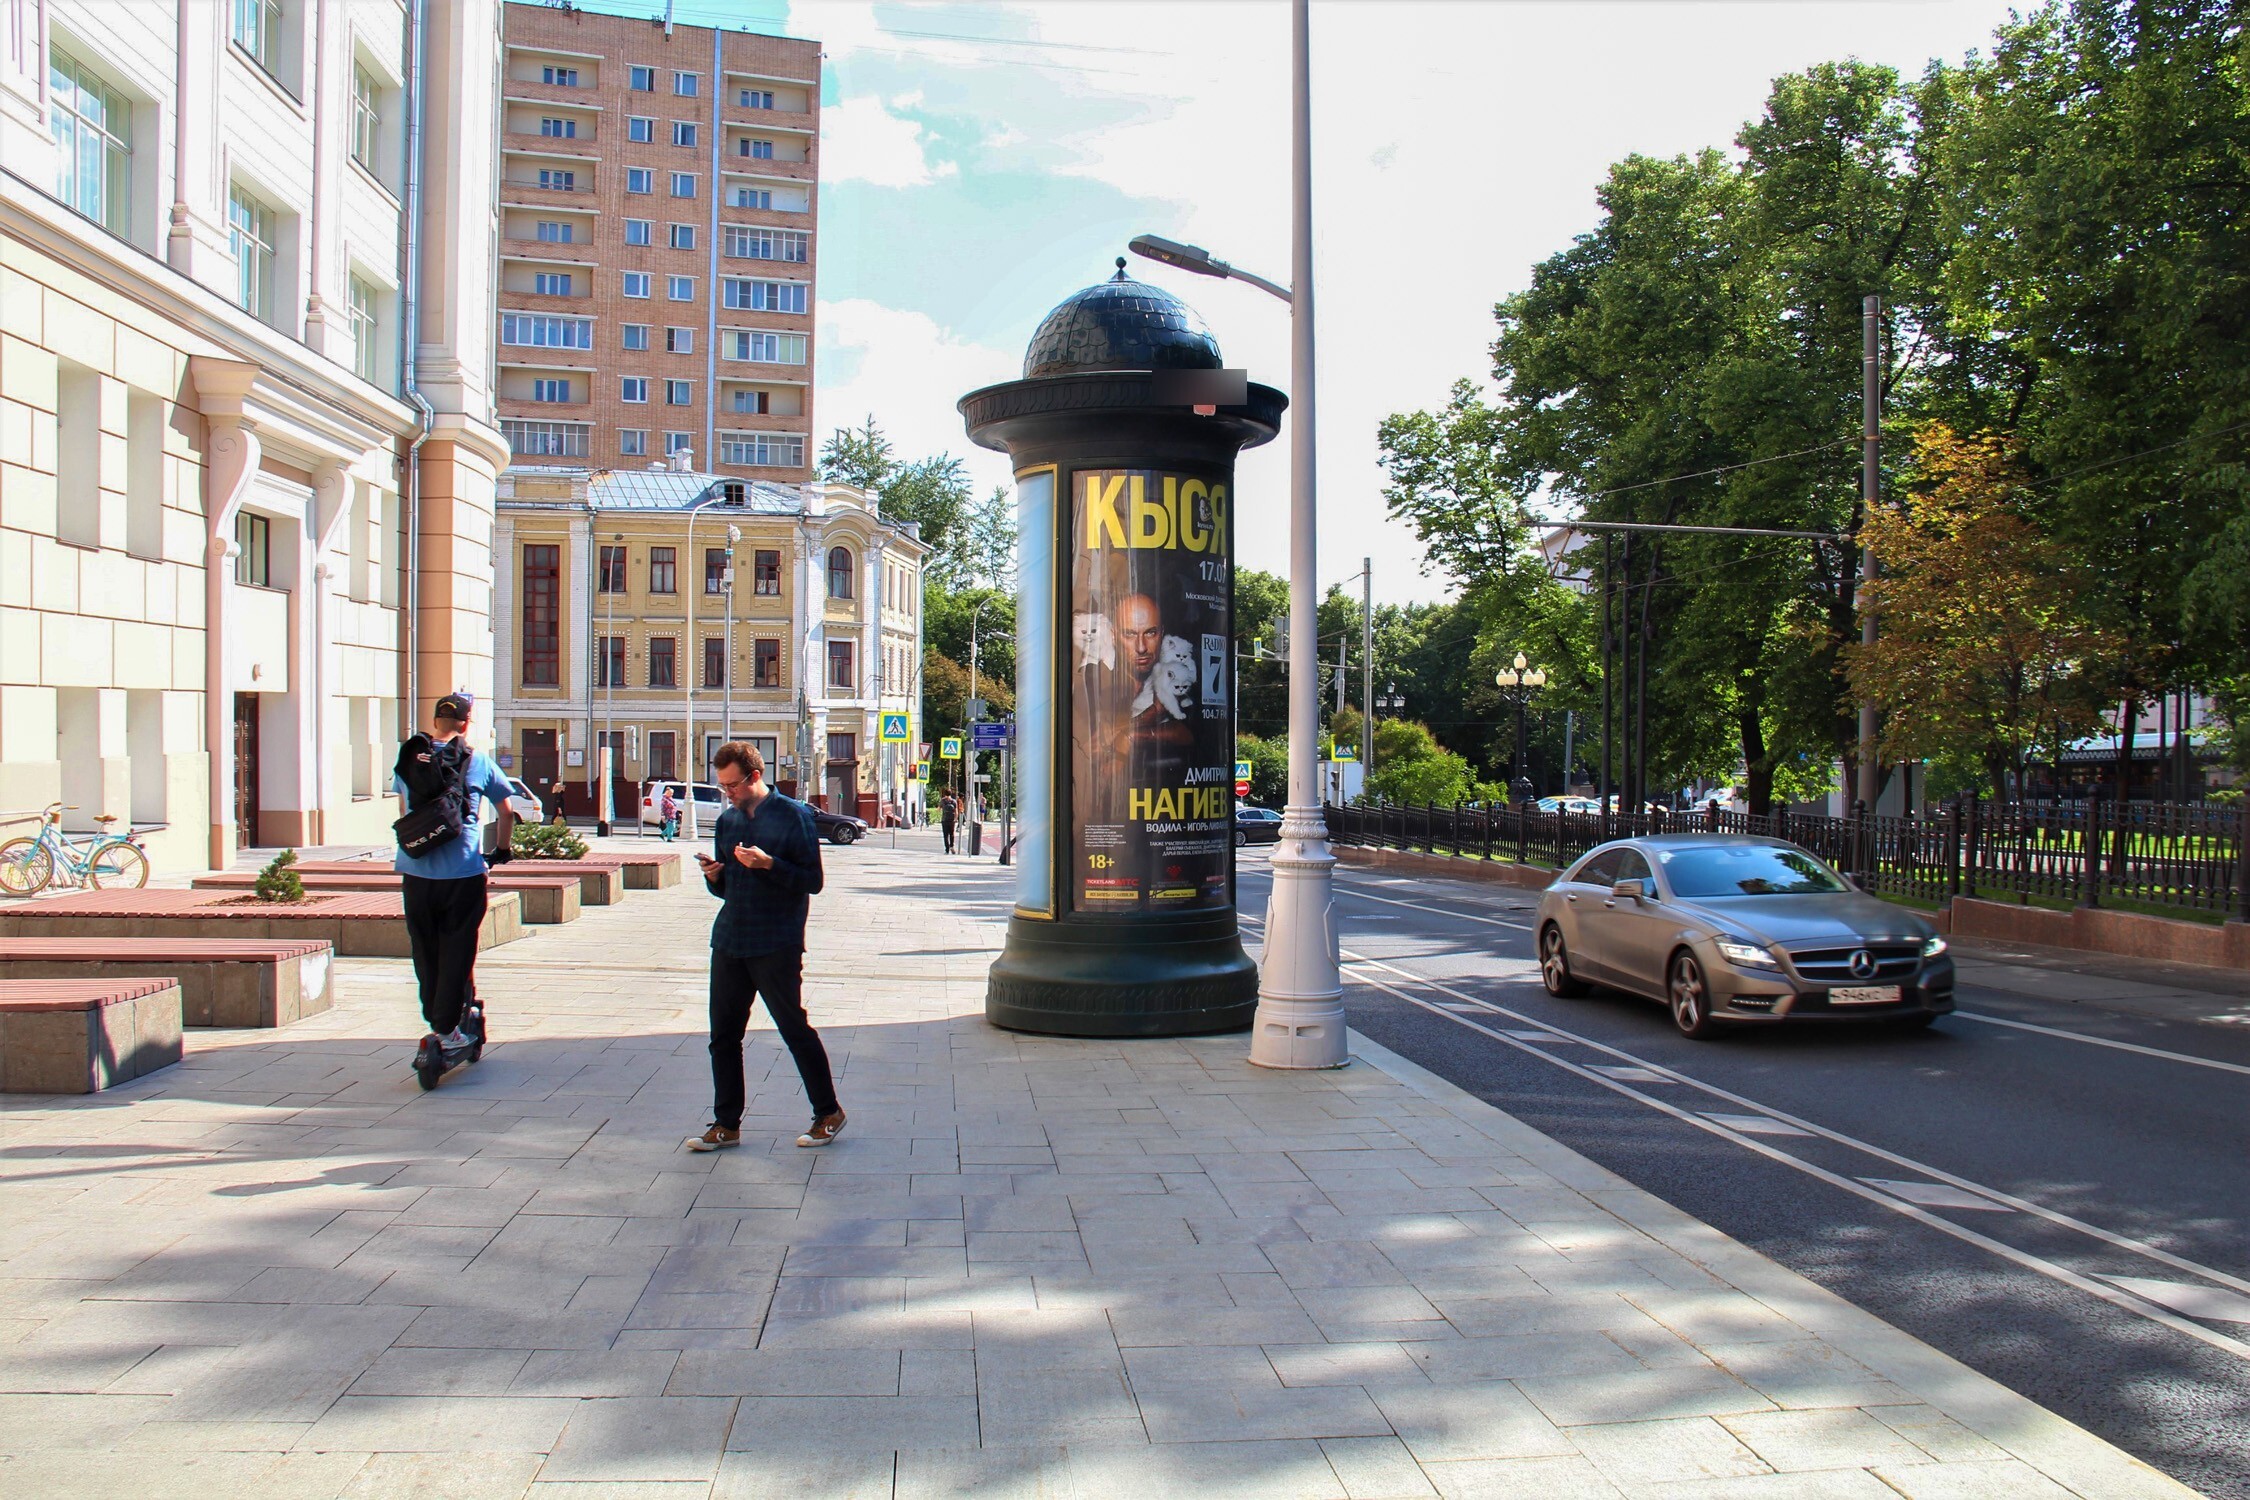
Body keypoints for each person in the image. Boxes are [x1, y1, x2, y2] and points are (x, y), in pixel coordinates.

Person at [687, 742, 844, 1152]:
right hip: (730, 939)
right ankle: (726, 1124)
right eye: (722, 787)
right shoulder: (727, 822)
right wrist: (715, 875)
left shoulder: (794, 816)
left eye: (732, 785)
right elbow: (726, 891)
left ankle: (828, 1112)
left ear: (755, 776)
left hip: (776, 939)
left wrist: (769, 863)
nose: (728, 794)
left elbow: (812, 881)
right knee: (723, 1036)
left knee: (793, 1027)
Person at [392, 690, 515, 1053]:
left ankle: (435, 1015)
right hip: (462, 873)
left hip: (415, 871)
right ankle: (448, 1028)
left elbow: (404, 803)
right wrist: (502, 851)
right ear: (466, 723)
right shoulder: (477, 760)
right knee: (457, 949)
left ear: (434, 722)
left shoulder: (411, 757)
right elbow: (506, 812)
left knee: (425, 947)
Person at [939, 790, 958, 855]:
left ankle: (947, 850)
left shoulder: (943, 800)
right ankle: (951, 846)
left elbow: (938, 809)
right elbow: (956, 811)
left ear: (945, 794)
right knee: (952, 834)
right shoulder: (954, 801)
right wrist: (955, 819)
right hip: (952, 820)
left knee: (945, 835)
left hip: (944, 820)